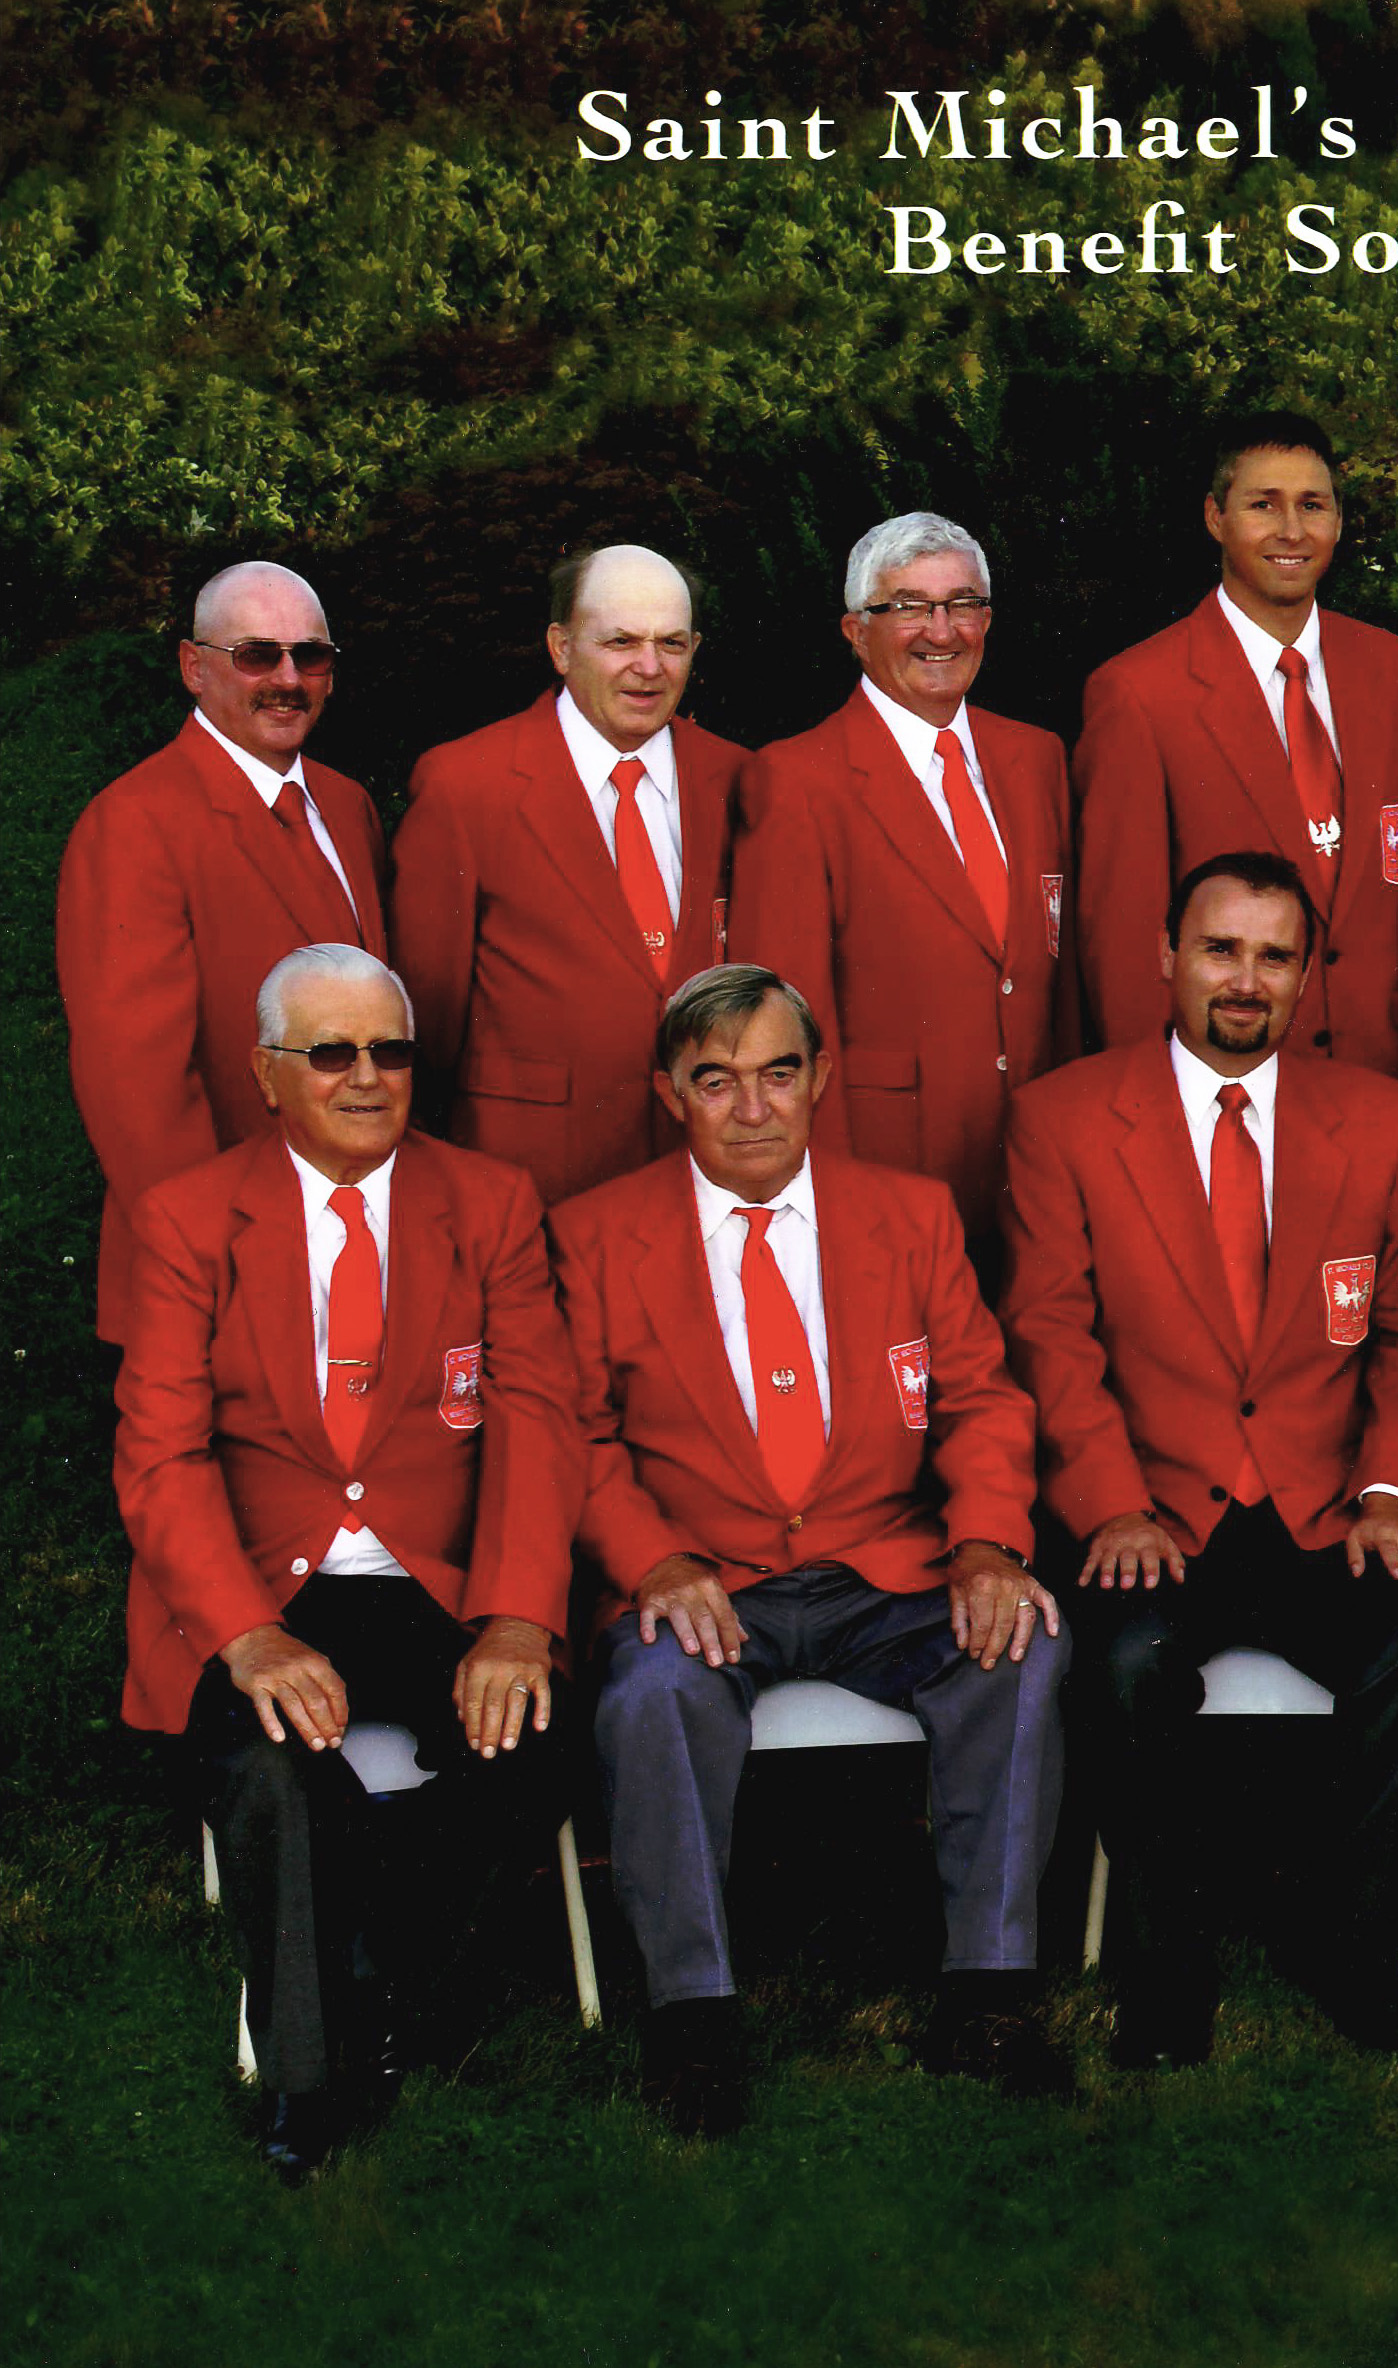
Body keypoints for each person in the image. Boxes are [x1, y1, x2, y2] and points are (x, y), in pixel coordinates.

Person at [552, 964, 1065, 2135]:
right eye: (715, 1080)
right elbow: (571, 1433)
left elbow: (982, 1398)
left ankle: (987, 1995)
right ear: (668, 1091)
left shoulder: (909, 1214)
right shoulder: (594, 1234)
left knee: (1022, 1645)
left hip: (881, 1566)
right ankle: (692, 2020)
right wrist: (652, 1559)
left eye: (777, 1074)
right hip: (703, 1575)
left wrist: (986, 1542)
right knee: (652, 1693)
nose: (752, 1108)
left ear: (820, 1078)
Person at [113, 944, 578, 2180]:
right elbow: (160, 1455)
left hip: (434, 1582)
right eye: (331, 1052)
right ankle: (309, 2087)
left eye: (390, 1050)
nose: (367, 1076)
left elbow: (538, 1421)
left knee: (532, 1738)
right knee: (273, 1767)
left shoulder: (490, 1202)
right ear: (267, 1074)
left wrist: (517, 1616)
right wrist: (247, 1632)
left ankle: (380, 1982)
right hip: (264, 1585)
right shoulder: (188, 1218)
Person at [1000, 852, 1398, 2069]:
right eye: (1220, 949)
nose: (1245, 980)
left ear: (1307, 976)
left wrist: (1385, 1490)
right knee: (1121, 1662)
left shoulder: (1382, 1118)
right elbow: (1050, 1336)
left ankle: (1352, 1948)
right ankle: (1166, 1969)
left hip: (1322, 1509)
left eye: (1273, 955)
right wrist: (1109, 1506)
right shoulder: (1062, 1117)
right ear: (1166, 955)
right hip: (1155, 1506)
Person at [728, 512, 1076, 1258]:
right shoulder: (797, 780)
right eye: (910, 607)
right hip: (890, 1184)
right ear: (856, 631)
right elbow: (784, 1025)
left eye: (963, 604)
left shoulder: (1038, 759)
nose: (940, 631)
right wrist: (832, 1202)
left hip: (1038, 1179)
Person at [59, 562, 387, 1340]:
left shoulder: (347, 806)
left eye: (310, 656)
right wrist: (217, 1263)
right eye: (257, 655)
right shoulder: (134, 823)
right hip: (226, 1264)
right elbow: (137, 1096)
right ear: (193, 667)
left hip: (358, 1234)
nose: (288, 679)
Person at [1073, 411, 1398, 1079]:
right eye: (1263, 505)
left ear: (1339, 519)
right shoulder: (1138, 692)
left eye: (1313, 505)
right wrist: (1156, 1103)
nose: (1292, 530)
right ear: (1216, 517)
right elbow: (1124, 942)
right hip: (1227, 1084)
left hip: (1385, 1081)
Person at [392, 544, 750, 1204]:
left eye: (672, 643)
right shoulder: (466, 784)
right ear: (560, 648)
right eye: (621, 641)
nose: (649, 667)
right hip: (535, 1172)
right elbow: (429, 1011)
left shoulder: (738, 778)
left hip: (704, 1169)